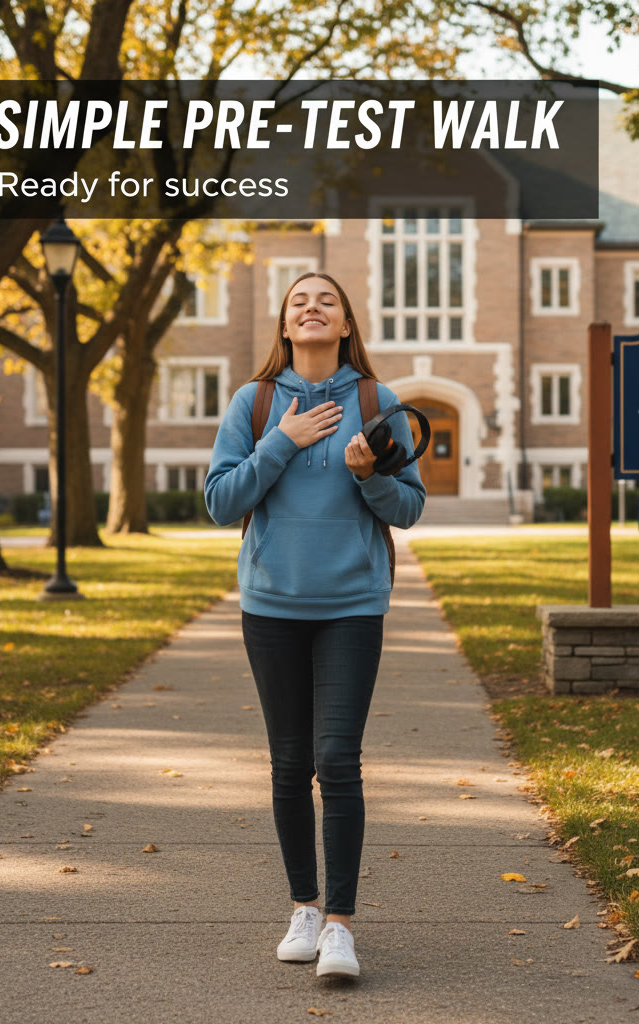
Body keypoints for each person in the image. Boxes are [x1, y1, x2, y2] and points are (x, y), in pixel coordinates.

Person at [204, 272, 425, 979]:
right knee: (289, 764)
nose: (311, 306)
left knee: (338, 761)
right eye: (299, 300)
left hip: (352, 605)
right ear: (284, 325)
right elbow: (218, 500)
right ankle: (303, 907)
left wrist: (368, 475)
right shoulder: (255, 401)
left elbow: (409, 509)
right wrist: (282, 441)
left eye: (325, 299)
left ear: (345, 323)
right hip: (271, 606)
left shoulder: (375, 401)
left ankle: (339, 925)